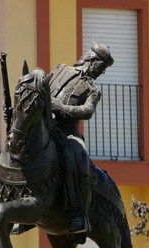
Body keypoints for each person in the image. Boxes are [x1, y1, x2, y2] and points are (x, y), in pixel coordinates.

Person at [48, 42, 114, 236]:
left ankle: (79, 212)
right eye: (101, 68)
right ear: (92, 61)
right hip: (46, 126)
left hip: (68, 132)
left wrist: (61, 108)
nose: (101, 73)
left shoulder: (93, 90)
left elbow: (87, 111)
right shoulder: (60, 70)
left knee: (73, 153)